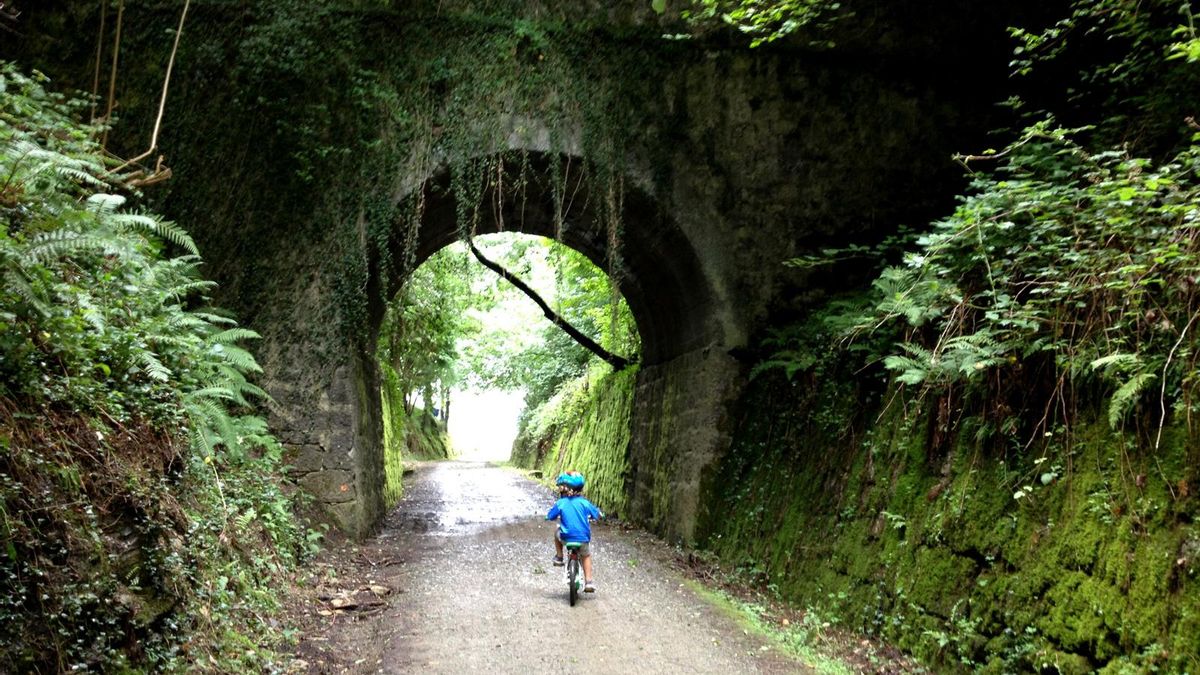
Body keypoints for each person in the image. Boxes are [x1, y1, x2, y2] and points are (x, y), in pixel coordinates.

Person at [547, 471, 603, 593]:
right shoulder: (585, 503)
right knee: (586, 555)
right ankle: (588, 582)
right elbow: (597, 515)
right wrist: (599, 515)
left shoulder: (561, 503)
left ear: (565, 489)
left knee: (556, 531)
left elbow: (550, 516)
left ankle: (559, 557)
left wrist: (549, 516)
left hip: (566, 538)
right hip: (583, 539)